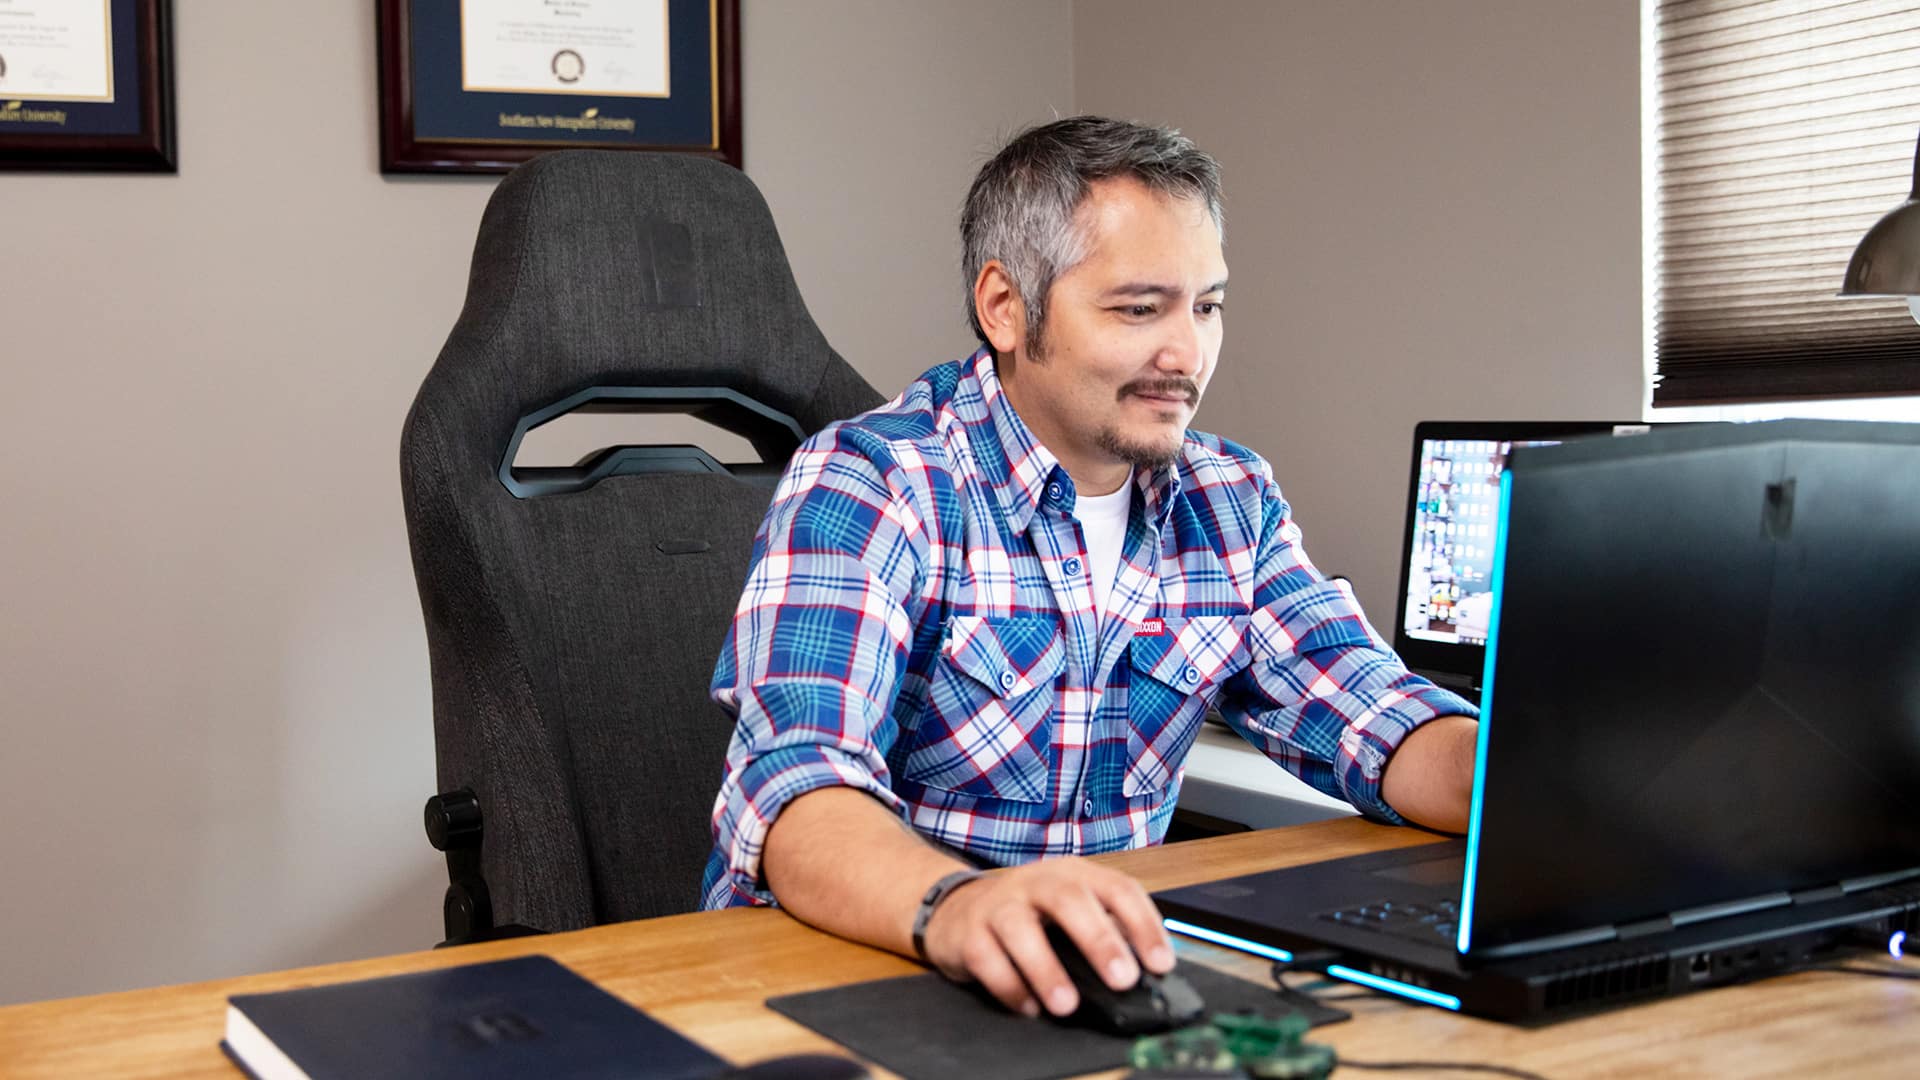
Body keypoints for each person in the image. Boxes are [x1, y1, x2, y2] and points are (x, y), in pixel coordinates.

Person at [700, 116, 1478, 1021]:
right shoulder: (877, 482)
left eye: (1207, 306)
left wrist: (1556, 783)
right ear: (1005, 307)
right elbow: (797, 789)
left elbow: (1377, 717)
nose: (1186, 354)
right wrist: (958, 903)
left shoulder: (1227, 498)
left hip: (1089, 987)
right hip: (851, 975)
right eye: (1139, 309)